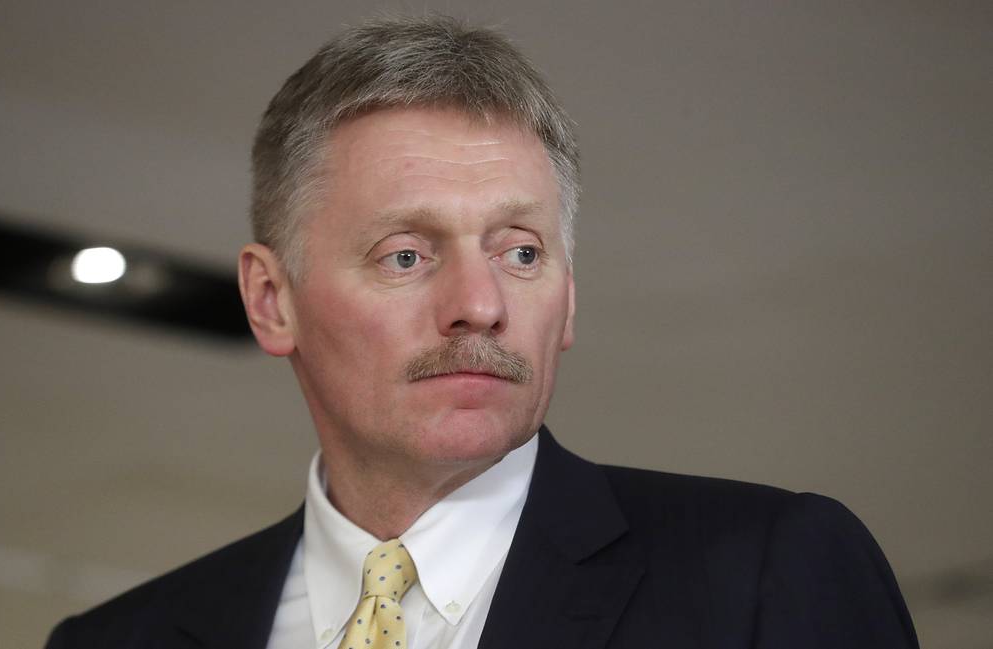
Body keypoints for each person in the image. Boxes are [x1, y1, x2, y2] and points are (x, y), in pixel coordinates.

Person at [45, 15, 919, 649]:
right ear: (272, 300)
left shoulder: (764, 573)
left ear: (567, 299)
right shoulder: (116, 640)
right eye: (405, 255)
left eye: (521, 252)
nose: (480, 302)